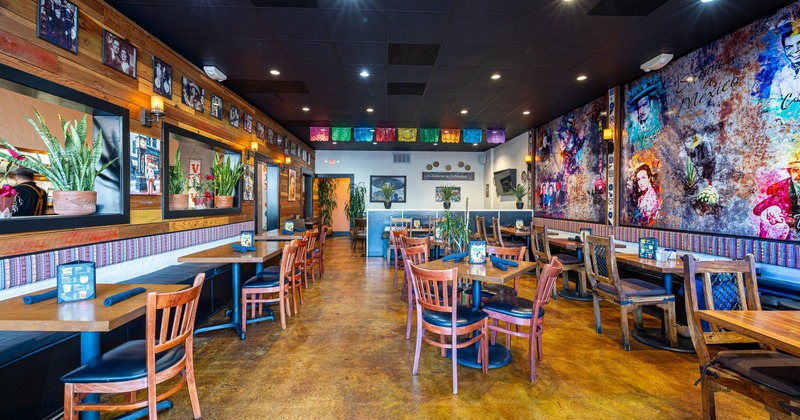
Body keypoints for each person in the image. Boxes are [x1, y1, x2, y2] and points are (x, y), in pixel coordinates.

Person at [753, 160, 800, 239]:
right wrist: (777, 218)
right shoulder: (781, 191)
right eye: (796, 170)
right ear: (790, 172)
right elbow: (758, 210)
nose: (799, 175)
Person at [769, 23, 800, 112]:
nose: (795, 51)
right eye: (789, 47)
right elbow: (773, 106)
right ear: (784, 50)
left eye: (799, 44)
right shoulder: (780, 74)